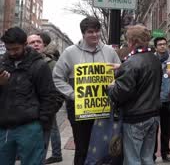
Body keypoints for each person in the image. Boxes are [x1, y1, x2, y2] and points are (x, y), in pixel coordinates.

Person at [53, 17, 121, 165]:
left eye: (97, 31)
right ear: (83, 33)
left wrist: (116, 80)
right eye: (90, 32)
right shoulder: (70, 52)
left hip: (104, 107)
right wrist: (73, 95)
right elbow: (57, 77)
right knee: (82, 148)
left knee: (104, 146)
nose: (95, 35)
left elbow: (120, 73)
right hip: (79, 109)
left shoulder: (110, 51)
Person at [0, 27, 55, 165]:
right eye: (9, 49)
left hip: (30, 127)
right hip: (4, 127)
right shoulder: (2, 64)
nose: (12, 52)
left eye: (16, 49)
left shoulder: (39, 66)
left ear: (25, 45)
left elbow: (48, 97)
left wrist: (42, 124)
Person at [108, 25, 162, 165]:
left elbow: (121, 93)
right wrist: (122, 67)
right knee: (147, 157)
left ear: (132, 41)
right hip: (153, 115)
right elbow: (144, 73)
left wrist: (110, 88)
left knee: (132, 159)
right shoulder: (154, 58)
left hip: (136, 118)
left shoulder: (131, 62)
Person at [27, 33, 65, 164]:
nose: (36, 44)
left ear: (44, 45)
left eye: (39, 42)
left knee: (38, 155)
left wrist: (51, 109)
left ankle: (56, 153)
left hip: (44, 115)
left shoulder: (52, 64)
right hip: (22, 118)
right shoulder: (16, 63)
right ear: (25, 46)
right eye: (32, 42)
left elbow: (59, 89)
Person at [153, 36, 170, 164]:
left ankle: (165, 153)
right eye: (160, 44)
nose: (162, 46)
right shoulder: (151, 59)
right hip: (154, 100)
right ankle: (151, 154)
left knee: (166, 129)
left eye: (164, 44)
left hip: (168, 99)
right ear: (156, 47)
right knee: (153, 129)